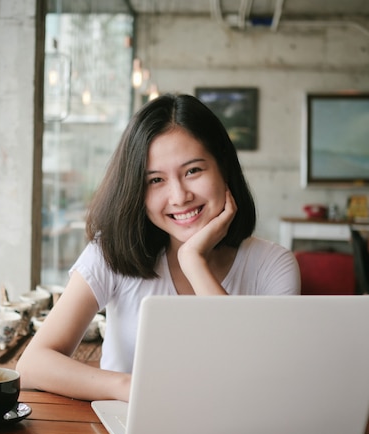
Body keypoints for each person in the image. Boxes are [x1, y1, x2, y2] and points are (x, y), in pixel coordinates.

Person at [16, 93, 300, 402]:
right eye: (155, 181)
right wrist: (132, 387)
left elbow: (264, 380)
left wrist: (194, 261)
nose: (179, 196)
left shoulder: (273, 265)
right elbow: (32, 366)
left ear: (224, 168)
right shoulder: (111, 252)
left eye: (193, 171)